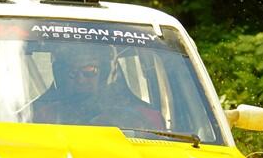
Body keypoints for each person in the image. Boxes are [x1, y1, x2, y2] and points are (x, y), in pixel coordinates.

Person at [32, 44, 165, 129]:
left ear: (105, 73)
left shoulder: (146, 116)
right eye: (72, 73)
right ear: (60, 75)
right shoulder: (43, 116)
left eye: (89, 71)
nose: (81, 79)